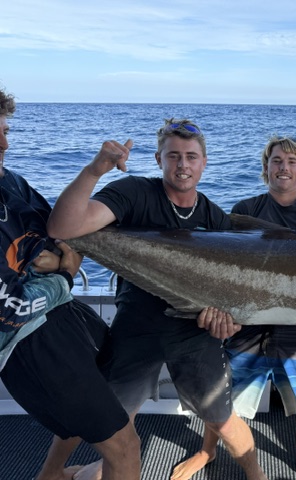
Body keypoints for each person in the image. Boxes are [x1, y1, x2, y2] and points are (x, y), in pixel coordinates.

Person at [46, 119, 266, 480]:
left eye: (191, 157)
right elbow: (62, 228)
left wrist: (230, 321)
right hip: (136, 330)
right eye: (174, 156)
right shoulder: (133, 193)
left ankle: (258, 476)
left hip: (194, 336)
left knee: (222, 419)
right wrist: (94, 170)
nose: (183, 165)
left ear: (204, 162)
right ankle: (50, 473)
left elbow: (233, 296)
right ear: (158, 159)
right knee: (103, 415)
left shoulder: (215, 219)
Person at [178, 135, 296, 480]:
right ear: (266, 168)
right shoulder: (245, 211)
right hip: (246, 329)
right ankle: (206, 451)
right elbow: (223, 271)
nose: (284, 168)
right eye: (277, 161)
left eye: (291, 162)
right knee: (219, 406)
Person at [0, 87, 140, 480]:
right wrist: (62, 273)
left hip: (60, 314)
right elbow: (9, 311)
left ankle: (51, 475)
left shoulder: (10, 182)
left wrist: (95, 171)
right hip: (25, 341)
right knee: (126, 447)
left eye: (5, 130)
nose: (3, 144)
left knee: (113, 378)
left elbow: (59, 231)